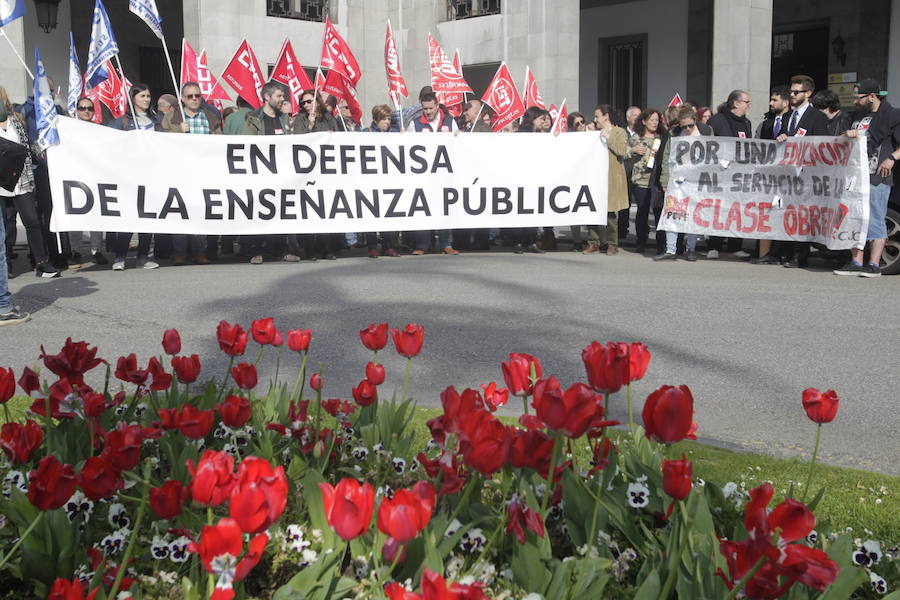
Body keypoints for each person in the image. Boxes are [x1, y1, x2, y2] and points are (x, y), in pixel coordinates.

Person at [834, 79, 900, 278]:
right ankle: (856, 261)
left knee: (875, 218)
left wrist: (891, 158)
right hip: (854, 176)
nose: (855, 101)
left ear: (872, 97)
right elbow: (840, 138)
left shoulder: (891, 115)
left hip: (877, 176)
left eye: (858, 97)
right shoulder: (853, 116)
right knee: (854, 218)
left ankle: (873, 264)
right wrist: (848, 135)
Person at [1, 86, 60, 279]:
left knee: (32, 221)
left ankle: (41, 262)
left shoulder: (17, 120)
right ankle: (6, 263)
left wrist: (44, 149)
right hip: (1, 183)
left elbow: (27, 146)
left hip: (21, 180)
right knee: (6, 225)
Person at [164, 82, 222, 265]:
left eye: (197, 95)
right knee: (180, 213)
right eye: (190, 96)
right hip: (180, 172)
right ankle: (180, 252)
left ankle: (199, 251)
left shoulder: (210, 116)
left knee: (200, 212)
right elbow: (161, 137)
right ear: (182, 99)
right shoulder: (173, 116)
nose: (195, 99)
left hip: (203, 173)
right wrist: (177, 130)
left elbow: (220, 142)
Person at [242, 82, 300, 264]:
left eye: (283, 96)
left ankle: (279, 250)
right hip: (260, 173)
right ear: (267, 97)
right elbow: (247, 143)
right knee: (260, 211)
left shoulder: (285, 119)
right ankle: (256, 250)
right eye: (279, 96)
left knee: (280, 211)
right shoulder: (254, 118)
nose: (283, 99)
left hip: (281, 174)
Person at [106, 84, 163, 271]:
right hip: (128, 175)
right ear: (133, 98)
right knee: (128, 215)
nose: (146, 99)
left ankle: (143, 258)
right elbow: (106, 139)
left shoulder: (156, 121)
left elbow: (165, 145)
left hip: (151, 174)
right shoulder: (121, 122)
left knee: (147, 216)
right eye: (142, 96)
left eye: (148, 96)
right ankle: (120, 257)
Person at [777, 75, 829, 268]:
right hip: (789, 173)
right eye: (791, 91)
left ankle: (801, 254)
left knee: (804, 214)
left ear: (808, 94)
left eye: (796, 92)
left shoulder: (818, 117)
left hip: (808, 173)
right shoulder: (788, 116)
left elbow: (822, 146)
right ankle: (787, 251)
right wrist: (783, 137)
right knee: (789, 212)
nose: (792, 95)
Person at [292, 89, 342, 260]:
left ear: (317, 101)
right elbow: (298, 141)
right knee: (309, 212)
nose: (306, 105)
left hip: (325, 171)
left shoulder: (329, 118)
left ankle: (327, 248)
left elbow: (339, 140)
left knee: (325, 211)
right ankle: (310, 249)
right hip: (307, 173)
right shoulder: (300, 120)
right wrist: (310, 126)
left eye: (309, 101)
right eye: (303, 102)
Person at [408, 91, 460, 255]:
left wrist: (459, 137)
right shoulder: (415, 124)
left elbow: (458, 144)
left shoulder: (450, 122)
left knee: (445, 208)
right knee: (423, 208)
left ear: (437, 106)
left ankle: (446, 244)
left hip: (445, 174)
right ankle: (422, 245)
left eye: (431, 108)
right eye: (425, 109)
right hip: (424, 176)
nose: (428, 112)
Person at [706, 89, 753, 259]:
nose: (749, 105)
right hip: (720, 174)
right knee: (719, 210)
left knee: (737, 210)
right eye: (746, 102)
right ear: (736, 103)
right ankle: (714, 246)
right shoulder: (717, 120)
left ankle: (735, 245)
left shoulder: (746, 123)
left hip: (740, 175)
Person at [655, 106, 702, 261]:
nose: (687, 129)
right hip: (677, 181)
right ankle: (670, 250)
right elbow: (666, 158)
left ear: (695, 121)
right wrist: (664, 180)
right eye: (684, 126)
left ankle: (691, 249)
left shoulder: (706, 133)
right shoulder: (674, 134)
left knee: (693, 215)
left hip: (696, 181)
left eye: (690, 125)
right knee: (672, 213)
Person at [752, 86, 791, 265]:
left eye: (775, 100)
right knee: (767, 212)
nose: (771, 103)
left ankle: (783, 252)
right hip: (768, 176)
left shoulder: (792, 121)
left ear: (785, 102)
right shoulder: (767, 124)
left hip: (788, 176)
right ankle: (765, 253)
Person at [69, 98, 108, 266]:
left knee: (96, 216)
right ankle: (75, 250)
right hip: (76, 177)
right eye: (82, 108)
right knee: (75, 215)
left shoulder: (100, 130)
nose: (86, 111)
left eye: (90, 108)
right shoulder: (69, 129)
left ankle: (96, 250)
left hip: (95, 177)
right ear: (77, 110)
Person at [510, 107, 550, 255]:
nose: (544, 121)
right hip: (521, 177)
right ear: (532, 119)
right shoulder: (522, 134)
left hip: (535, 178)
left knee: (533, 211)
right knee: (521, 211)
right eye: (541, 119)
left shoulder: (540, 134)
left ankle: (531, 241)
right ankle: (519, 242)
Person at [363, 104, 401, 258]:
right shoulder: (366, 133)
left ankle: (388, 246)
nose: (387, 122)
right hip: (371, 180)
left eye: (389, 119)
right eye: (384, 119)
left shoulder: (394, 133)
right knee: (371, 214)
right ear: (376, 120)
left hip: (388, 180)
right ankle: (372, 246)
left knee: (389, 215)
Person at [628, 108, 667, 255]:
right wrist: (633, 151)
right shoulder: (636, 138)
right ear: (644, 121)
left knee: (658, 211)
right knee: (642, 211)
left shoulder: (662, 138)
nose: (655, 123)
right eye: (652, 120)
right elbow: (625, 155)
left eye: (657, 120)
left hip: (657, 180)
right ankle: (641, 241)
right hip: (641, 180)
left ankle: (660, 243)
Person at [592, 105, 629, 256]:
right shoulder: (593, 132)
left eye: (597, 116)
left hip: (612, 177)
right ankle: (593, 242)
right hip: (595, 176)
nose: (595, 120)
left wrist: (608, 137)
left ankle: (612, 243)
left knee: (610, 212)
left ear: (606, 116)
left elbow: (621, 150)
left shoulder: (619, 132)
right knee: (593, 209)